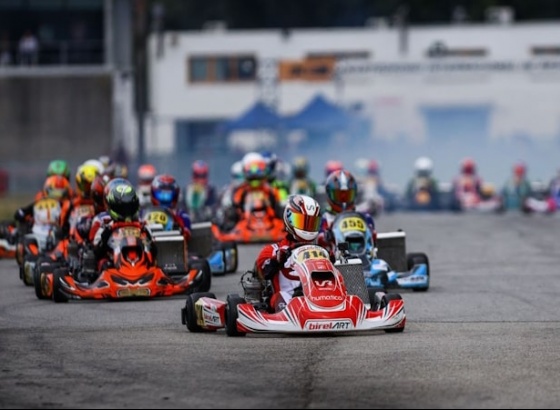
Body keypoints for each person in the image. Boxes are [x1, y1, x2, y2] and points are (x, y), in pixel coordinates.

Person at [254, 194, 322, 313]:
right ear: (289, 219)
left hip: (319, 295)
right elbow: (261, 271)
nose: (307, 228)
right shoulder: (273, 250)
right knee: (283, 298)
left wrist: (333, 259)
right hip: (287, 298)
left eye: (311, 223)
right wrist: (277, 260)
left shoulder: (321, 250)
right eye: (302, 221)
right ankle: (299, 302)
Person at [93, 178, 156, 272]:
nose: (126, 211)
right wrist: (107, 233)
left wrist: (145, 233)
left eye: (129, 207)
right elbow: (97, 250)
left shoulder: (142, 225)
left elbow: (154, 248)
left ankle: (145, 269)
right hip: (112, 269)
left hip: (143, 267)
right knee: (102, 262)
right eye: (122, 208)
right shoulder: (106, 225)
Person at [317, 169, 376, 257]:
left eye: (347, 196)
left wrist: (371, 232)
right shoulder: (325, 218)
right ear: (330, 194)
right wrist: (326, 236)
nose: (343, 201)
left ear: (354, 194)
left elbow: (373, 236)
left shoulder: (364, 217)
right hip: (336, 259)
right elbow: (319, 239)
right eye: (339, 196)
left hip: (364, 256)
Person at [141, 174, 191, 242]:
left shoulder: (181, 214)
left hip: (171, 244)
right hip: (147, 242)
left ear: (175, 195)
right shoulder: (144, 212)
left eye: (168, 195)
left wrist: (177, 222)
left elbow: (186, 233)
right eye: (161, 195)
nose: (164, 198)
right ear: (153, 192)